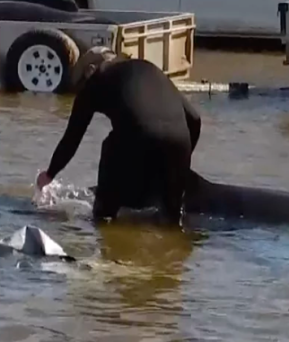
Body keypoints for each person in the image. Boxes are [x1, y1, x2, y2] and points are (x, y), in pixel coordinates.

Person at [36, 47, 202, 225]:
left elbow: (72, 139)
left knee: (104, 220)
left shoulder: (96, 80)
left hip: (137, 136)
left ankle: (105, 220)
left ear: (89, 70)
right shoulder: (150, 68)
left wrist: (49, 174)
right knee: (172, 222)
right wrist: (180, 162)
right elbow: (194, 119)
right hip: (179, 142)